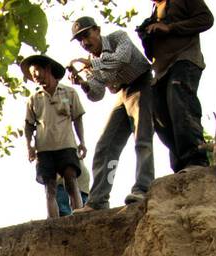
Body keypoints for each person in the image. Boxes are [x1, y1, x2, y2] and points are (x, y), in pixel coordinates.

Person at [65, 15, 155, 211]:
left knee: (142, 138)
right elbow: (98, 94)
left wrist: (92, 65)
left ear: (97, 30)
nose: (84, 42)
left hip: (142, 84)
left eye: (86, 35)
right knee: (105, 146)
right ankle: (98, 201)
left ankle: (144, 188)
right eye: (79, 40)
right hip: (122, 93)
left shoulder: (118, 38)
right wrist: (83, 84)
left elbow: (123, 58)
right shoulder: (90, 63)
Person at [138, 0, 214, 173]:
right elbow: (151, 54)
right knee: (160, 117)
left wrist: (171, 27)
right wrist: (147, 36)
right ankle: (181, 166)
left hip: (184, 59)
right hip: (161, 70)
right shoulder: (154, 11)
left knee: (180, 102)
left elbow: (206, 19)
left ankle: (196, 160)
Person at [21, 54, 88, 219]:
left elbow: (77, 118)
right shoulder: (34, 99)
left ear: (47, 69)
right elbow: (28, 125)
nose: (34, 76)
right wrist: (29, 146)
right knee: (49, 187)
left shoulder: (69, 92)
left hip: (66, 144)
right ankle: (52, 221)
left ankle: (79, 216)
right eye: (31, 74)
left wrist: (82, 142)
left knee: (71, 180)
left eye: (36, 71)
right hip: (44, 148)